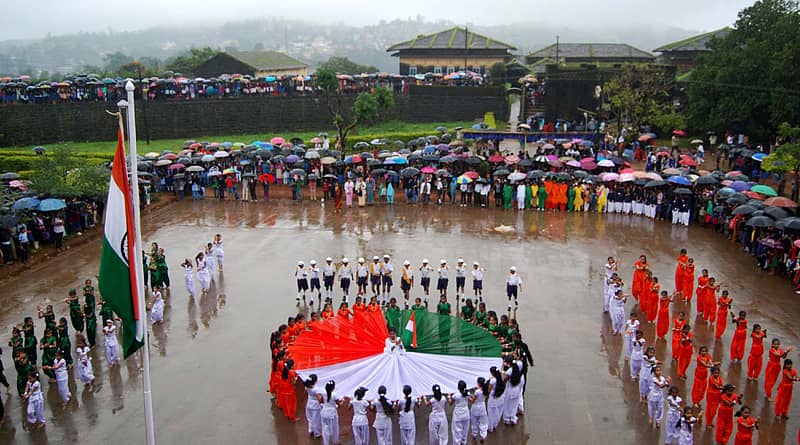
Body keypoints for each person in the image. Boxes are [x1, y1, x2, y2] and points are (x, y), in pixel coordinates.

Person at [318, 380, 341, 445]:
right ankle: (335, 442)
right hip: (332, 413)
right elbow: (338, 404)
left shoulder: (323, 392)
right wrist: (341, 402)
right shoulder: (334, 394)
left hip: (324, 412)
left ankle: (326, 443)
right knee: (334, 428)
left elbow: (321, 401)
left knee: (325, 428)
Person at [470, 377, 489, 443]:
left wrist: (469, 396)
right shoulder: (486, 390)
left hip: (475, 407)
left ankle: (474, 434)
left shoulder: (477, 392)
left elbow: (472, 400)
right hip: (482, 406)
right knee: (483, 421)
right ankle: (483, 435)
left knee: (474, 421)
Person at [451, 380, 471, 444]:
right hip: (466, 411)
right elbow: (471, 399)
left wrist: (449, 397)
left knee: (457, 429)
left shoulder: (456, 395)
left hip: (458, 412)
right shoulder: (467, 393)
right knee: (465, 428)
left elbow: (450, 403)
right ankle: (463, 441)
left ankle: (457, 442)